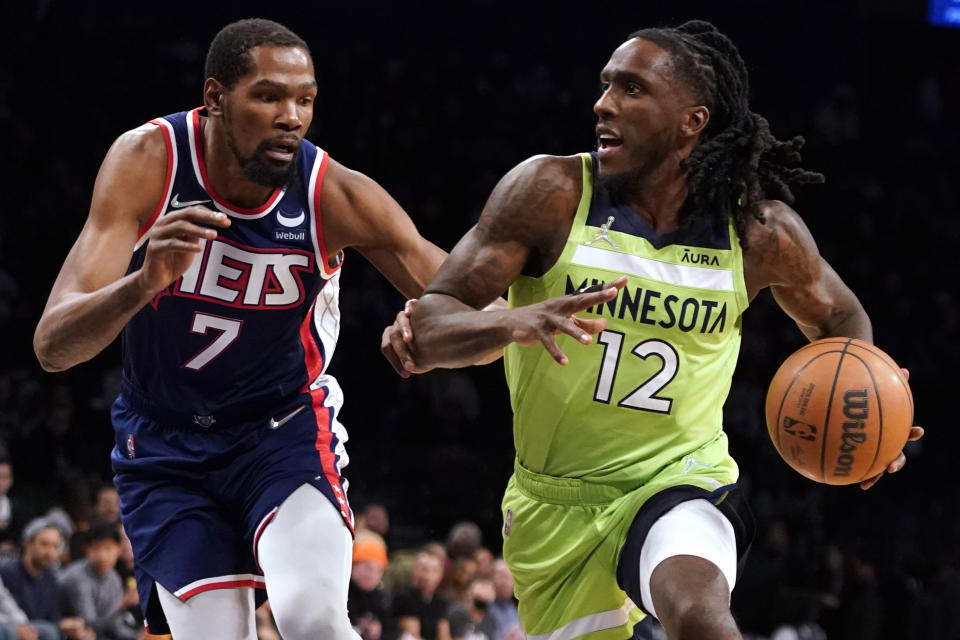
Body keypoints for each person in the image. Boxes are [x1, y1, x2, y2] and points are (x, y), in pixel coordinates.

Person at [385, 20, 924, 640]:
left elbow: (839, 317)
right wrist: (514, 321)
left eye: (632, 89)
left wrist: (871, 401)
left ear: (692, 121)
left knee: (699, 614)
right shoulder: (550, 193)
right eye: (606, 85)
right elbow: (426, 329)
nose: (603, 103)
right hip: (552, 506)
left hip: (681, 478)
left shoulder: (756, 231)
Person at [33, 17, 451, 640]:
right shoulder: (148, 161)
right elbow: (52, 346)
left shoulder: (330, 194)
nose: (292, 116)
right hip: (164, 445)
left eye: (305, 100)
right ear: (215, 98)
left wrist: (510, 319)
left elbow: (467, 296)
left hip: (278, 430)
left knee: (314, 620)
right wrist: (142, 282)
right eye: (269, 96)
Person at [0, 520, 89, 640]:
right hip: (14, 628)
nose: (50, 552)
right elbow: (23, 615)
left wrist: (67, 625)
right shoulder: (8, 572)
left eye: (55, 546)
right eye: (44, 544)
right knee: (49, 632)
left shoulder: (51, 577)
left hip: (35, 629)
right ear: (28, 544)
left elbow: (53, 614)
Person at [59, 521, 139, 640]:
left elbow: (115, 624)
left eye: (108, 549)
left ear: (118, 550)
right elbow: (89, 623)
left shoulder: (114, 578)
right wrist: (122, 604)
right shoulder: (77, 578)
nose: (102, 555)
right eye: (96, 548)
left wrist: (137, 637)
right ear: (87, 549)